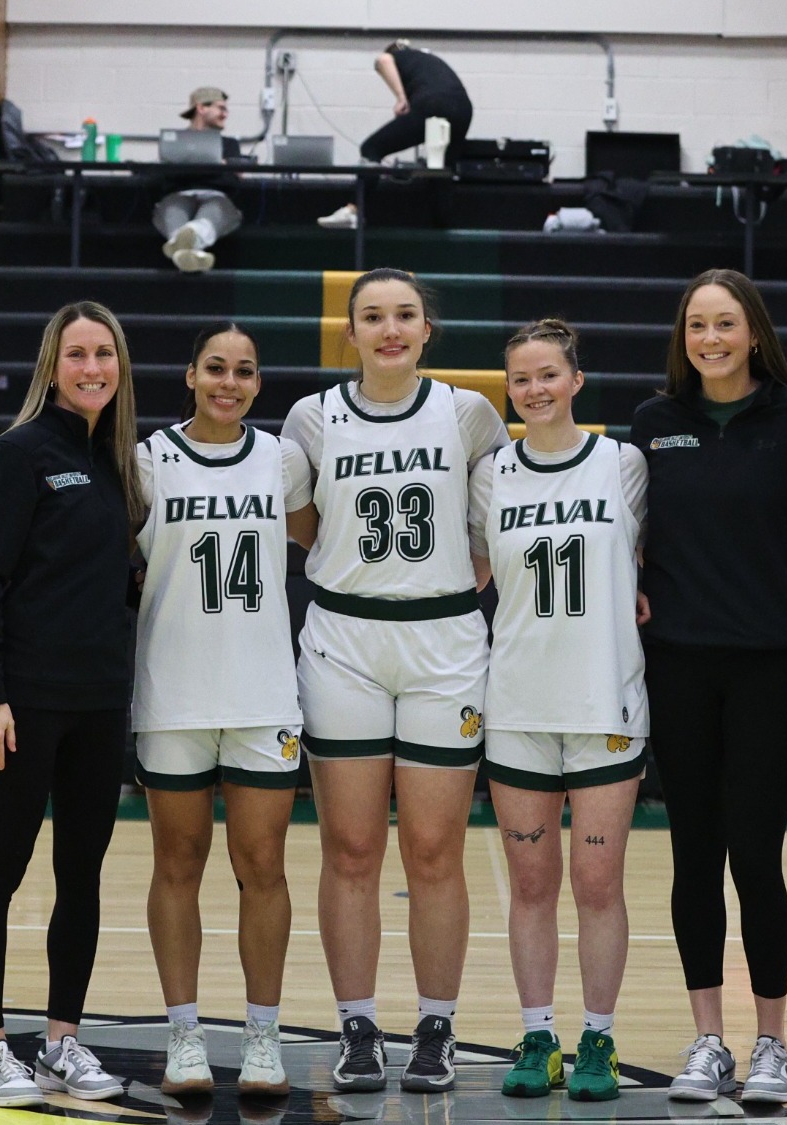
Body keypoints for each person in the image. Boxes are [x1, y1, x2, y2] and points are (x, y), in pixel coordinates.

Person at [279, 267, 507, 1093]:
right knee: (350, 847)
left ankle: (437, 1025)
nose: (390, 329)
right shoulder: (313, 416)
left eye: (405, 314)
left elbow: (493, 526)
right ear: (352, 330)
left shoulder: (468, 412)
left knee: (436, 849)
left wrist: (450, 590)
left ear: (426, 329)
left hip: (445, 642)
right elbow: (305, 526)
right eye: (373, 316)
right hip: (344, 639)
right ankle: (358, 1025)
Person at [0, 302, 144, 1109]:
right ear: (51, 365)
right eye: (77, 354)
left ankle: (62, 1039)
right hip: (24, 705)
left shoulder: (115, 462)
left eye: (105, 353)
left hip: (100, 705)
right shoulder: (18, 453)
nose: (92, 366)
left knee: (82, 874)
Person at [630, 269, 787, 1105]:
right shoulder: (653, 423)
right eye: (697, 324)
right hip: (677, 663)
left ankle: (771, 1040)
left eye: (726, 323)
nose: (711, 338)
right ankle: (707, 1038)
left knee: (757, 855)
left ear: (754, 333)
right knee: (693, 855)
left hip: (773, 666)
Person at [133, 321, 314, 1096]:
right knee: (177, 862)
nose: (228, 382)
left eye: (243, 371)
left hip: (262, 689)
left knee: (263, 865)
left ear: (258, 383)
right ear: (190, 374)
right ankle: (184, 1035)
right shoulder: (147, 459)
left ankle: (263, 1037)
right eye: (215, 368)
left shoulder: (281, 459)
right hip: (172, 690)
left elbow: (315, 541)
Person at [470, 319, 647, 1103]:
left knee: (599, 882)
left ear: (576, 379)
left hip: (604, 698)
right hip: (516, 704)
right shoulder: (490, 476)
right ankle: (538, 1033)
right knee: (531, 881)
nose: (535, 389)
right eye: (521, 379)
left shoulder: (623, 464)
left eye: (549, 374)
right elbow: (470, 572)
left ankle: (599, 1039)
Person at [316, 41, 473, 230]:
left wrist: (400, 98)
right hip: (464, 109)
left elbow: (383, 60)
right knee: (442, 170)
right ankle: (444, 229)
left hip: (433, 103)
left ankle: (353, 211)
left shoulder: (398, 56)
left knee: (371, 148)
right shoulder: (427, 59)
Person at [153, 86, 245, 273]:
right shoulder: (173, 142)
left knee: (215, 207)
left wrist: (186, 170)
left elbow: (233, 181)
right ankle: (192, 249)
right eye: (221, 108)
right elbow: (163, 177)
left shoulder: (230, 144)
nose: (225, 114)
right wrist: (218, 168)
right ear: (201, 108)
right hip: (179, 195)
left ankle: (185, 241)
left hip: (215, 197)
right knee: (172, 207)